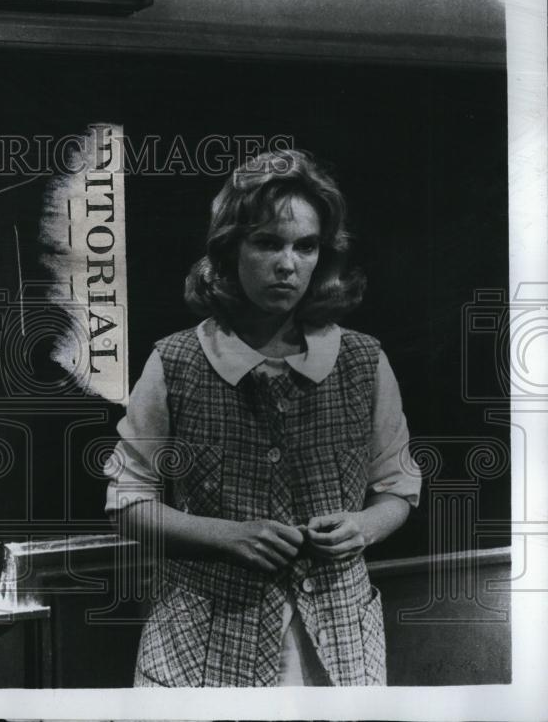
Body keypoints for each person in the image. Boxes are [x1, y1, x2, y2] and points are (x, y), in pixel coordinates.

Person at [104, 149, 421, 687]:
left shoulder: (363, 360)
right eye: (268, 242)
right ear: (231, 251)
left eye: (306, 246)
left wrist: (363, 526)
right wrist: (227, 536)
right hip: (201, 648)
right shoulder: (177, 360)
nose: (287, 264)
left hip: (340, 649)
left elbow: (398, 489)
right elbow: (128, 503)